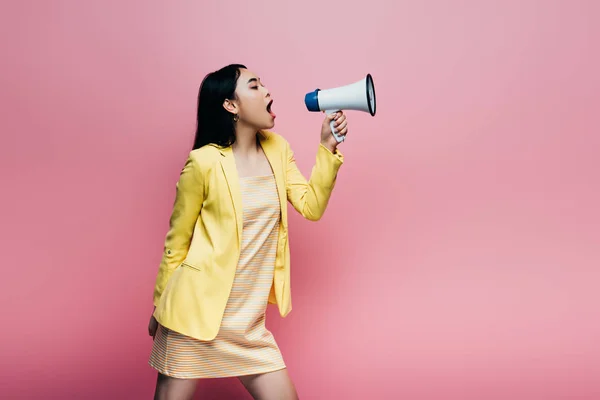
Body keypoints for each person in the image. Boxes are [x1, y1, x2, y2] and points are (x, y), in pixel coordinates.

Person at [147, 63, 348, 400]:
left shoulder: (277, 149)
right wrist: (159, 307)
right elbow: (176, 243)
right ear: (231, 105)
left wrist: (327, 147)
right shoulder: (204, 162)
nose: (267, 91)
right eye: (254, 86)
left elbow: (311, 206)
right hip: (193, 318)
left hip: (247, 324)